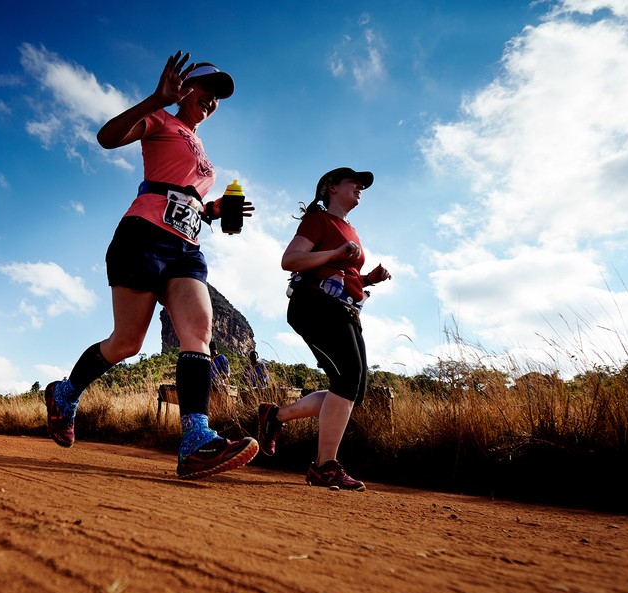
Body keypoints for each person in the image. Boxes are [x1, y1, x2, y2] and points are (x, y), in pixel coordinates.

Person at [44, 51, 259, 480]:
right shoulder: (161, 120)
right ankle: (66, 394)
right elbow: (107, 138)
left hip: (186, 247)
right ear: (184, 88)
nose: (212, 100)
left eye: (219, 96)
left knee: (199, 331)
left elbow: (187, 199)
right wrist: (154, 100)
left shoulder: (200, 146)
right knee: (127, 342)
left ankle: (196, 439)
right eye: (207, 89)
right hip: (142, 237)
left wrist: (216, 210)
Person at [257, 167, 391, 491]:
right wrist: (335, 252)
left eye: (363, 184)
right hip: (315, 303)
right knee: (347, 379)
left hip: (344, 308)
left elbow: (341, 272)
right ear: (331, 186)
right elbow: (290, 260)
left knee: (352, 392)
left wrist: (368, 279)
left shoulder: (351, 230)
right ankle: (324, 467)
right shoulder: (318, 219)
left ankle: (275, 417)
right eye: (353, 180)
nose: (361, 186)